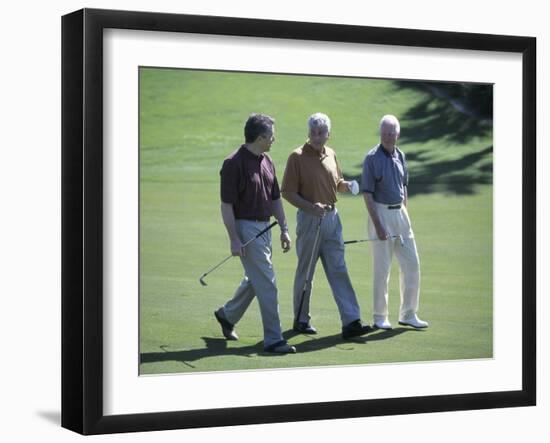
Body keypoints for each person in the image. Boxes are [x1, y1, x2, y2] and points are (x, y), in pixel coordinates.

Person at [281, 112, 371, 339]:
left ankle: (351, 321)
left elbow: (336, 183)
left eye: (321, 132)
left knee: (339, 269)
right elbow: (287, 192)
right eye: (313, 132)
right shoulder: (297, 157)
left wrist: (347, 185)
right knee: (306, 272)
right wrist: (311, 207)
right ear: (308, 133)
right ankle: (301, 320)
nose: (316, 136)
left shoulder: (331, 154)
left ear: (328, 134)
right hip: (310, 220)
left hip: (332, 219)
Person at [214, 113, 296, 354]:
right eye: (271, 135)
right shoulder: (233, 163)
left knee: (256, 280)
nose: (274, 139)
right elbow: (226, 205)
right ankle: (274, 339)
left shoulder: (267, 160)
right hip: (245, 228)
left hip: (265, 229)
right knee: (267, 283)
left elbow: (275, 199)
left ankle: (227, 316)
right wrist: (234, 239)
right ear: (260, 137)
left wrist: (284, 228)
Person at [361, 114, 428, 330]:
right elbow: (367, 194)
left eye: (392, 133)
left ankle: (408, 313)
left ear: (397, 134)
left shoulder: (401, 155)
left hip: (401, 215)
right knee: (382, 270)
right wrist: (379, 226)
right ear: (380, 133)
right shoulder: (371, 158)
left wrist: (405, 213)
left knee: (412, 265)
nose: (389, 136)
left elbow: (404, 186)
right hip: (380, 214)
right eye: (385, 132)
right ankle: (380, 316)